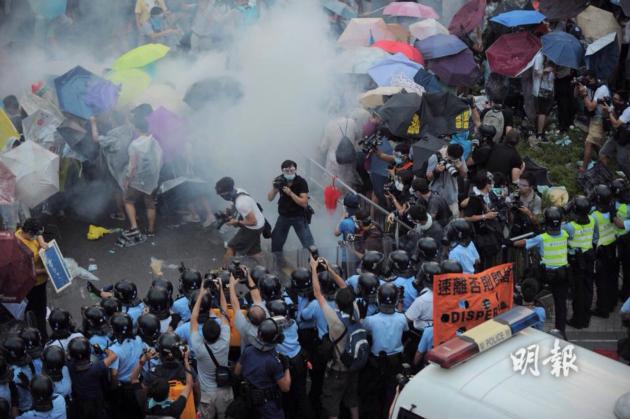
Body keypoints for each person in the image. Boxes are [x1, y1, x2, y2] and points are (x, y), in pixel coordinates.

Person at [310, 258, 360, 419]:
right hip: (353, 366)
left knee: (331, 404)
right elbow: (344, 287)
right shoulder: (356, 311)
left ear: (337, 304)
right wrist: (330, 269)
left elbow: (318, 294)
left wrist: (313, 269)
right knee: (352, 400)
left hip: (337, 370)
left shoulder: (335, 321)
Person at [514, 207, 571, 337]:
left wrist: (510, 242)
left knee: (531, 291)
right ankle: (561, 333)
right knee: (561, 306)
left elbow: (521, 243)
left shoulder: (541, 238)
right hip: (562, 275)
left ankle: (533, 328)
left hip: (546, 276)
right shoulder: (565, 234)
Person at [361, 283, 408, 419]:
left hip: (376, 363)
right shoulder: (402, 318)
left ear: (378, 299)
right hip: (396, 361)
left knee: (374, 394)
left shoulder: (370, 320)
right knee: (391, 394)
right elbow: (405, 329)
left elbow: (362, 327)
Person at [119, 104, 163, 244]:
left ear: (136, 128)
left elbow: (132, 166)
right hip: (152, 178)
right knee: (150, 203)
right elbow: (160, 160)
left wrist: (127, 179)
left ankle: (134, 227)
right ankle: (151, 230)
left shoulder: (134, 144)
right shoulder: (154, 141)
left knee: (128, 200)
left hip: (138, 179)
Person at [191, 282, 233, 419]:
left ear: (203, 335)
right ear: (219, 332)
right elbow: (224, 312)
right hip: (224, 391)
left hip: (207, 395)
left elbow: (193, 319)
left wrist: (200, 295)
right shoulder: (225, 341)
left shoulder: (199, 348)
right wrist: (220, 288)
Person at [233, 318, 291, 419]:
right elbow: (285, 388)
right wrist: (286, 367)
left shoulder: (248, 350)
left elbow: (237, 372)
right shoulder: (273, 361)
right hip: (267, 406)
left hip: (248, 401)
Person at [267, 160, 314, 254]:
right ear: (282, 171)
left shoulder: (301, 182)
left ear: (295, 170)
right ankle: (278, 261)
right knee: (276, 242)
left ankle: (315, 261)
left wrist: (291, 193)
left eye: (292, 170)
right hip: (284, 216)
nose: (289, 172)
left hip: (299, 216)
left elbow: (304, 203)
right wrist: (274, 188)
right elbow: (270, 198)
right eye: (286, 170)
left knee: (309, 244)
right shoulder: (279, 180)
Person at [215, 176, 265, 265]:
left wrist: (237, 222)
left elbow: (253, 222)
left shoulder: (241, 203)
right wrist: (230, 210)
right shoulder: (239, 191)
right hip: (260, 224)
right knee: (253, 252)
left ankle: (225, 270)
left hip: (252, 228)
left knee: (231, 247)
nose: (221, 196)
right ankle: (265, 268)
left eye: (222, 194)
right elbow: (235, 203)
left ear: (227, 192)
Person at [563, 195, 595, 329]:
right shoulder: (592, 220)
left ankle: (578, 320)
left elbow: (557, 229)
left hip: (576, 261)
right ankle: (586, 317)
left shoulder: (569, 226)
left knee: (578, 291)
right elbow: (595, 237)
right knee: (588, 288)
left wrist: (565, 210)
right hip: (589, 257)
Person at [67, 336, 117, 419]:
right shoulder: (96, 368)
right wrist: (103, 349)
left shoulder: (69, 366)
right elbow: (113, 356)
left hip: (80, 404)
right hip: (96, 404)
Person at [15, 218, 49, 339]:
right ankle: (41, 335)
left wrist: (42, 242)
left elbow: (38, 235)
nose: (37, 237)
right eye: (35, 235)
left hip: (41, 280)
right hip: (34, 283)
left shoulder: (23, 232)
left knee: (38, 305)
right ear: (29, 232)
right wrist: (45, 271)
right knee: (38, 308)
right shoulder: (19, 248)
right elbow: (27, 271)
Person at [108, 312, 145, 419]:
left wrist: (113, 388)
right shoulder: (138, 340)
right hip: (138, 383)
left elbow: (114, 374)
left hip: (124, 389)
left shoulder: (114, 350)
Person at [591, 184, 619, 318]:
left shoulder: (594, 215)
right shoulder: (613, 211)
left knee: (601, 281)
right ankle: (612, 303)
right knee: (613, 278)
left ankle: (603, 309)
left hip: (601, 251)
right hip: (613, 247)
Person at [577, 70, 611, 173]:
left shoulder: (601, 89)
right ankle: (603, 168)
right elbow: (576, 96)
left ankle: (584, 169)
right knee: (597, 145)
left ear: (593, 79)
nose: (587, 82)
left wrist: (584, 94)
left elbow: (591, 107)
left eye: (588, 80)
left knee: (589, 142)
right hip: (593, 118)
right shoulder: (589, 86)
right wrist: (577, 87)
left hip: (600, 118)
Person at [426, 143, 467, 217]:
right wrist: (436, 171)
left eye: (454, 159)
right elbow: (428, 177)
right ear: (447, 152)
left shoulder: (459, 157)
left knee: (454, 218)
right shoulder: (435, 157)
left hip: (452, 196)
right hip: (436, 195)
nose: (452, 160)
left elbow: (464, 175)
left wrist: (460, 167)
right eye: (450, 158)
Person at [600, 91, 630, 178]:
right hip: (617, 135)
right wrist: (607, 111)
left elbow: (616, 124)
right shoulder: (615, 106)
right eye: (613, 98)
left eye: (616, 99)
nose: (613, 100)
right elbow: (609, 116)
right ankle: (607, 177)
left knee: (622, 163)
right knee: (602, 153)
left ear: (622, 101)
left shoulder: (628, 110)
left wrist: (609, 112)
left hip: (626, 139)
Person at [533, 54, 555, 142]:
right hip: (541, 88)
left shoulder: (551, 57)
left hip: (549, 88)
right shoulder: (539, 57)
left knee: (546, 112)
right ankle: (539, 133)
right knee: (542, 112)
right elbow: (536, 72)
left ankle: (541, 131)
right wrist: (546, 70)